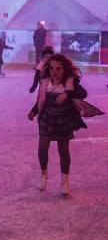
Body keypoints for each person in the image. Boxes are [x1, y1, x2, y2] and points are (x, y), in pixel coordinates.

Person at [27, 54, 87, 195]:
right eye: (52, 68)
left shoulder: (70, 82)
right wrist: (33, 111)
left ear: (65, 69)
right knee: (42, 147)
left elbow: (83, 93)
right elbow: (40, 100)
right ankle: (43, 174)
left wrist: (67, 94)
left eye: (59, 69)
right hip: (47, 118)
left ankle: (64, 180)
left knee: (63, 150)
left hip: (63, 119)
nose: (55, 72)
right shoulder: (46, 82)